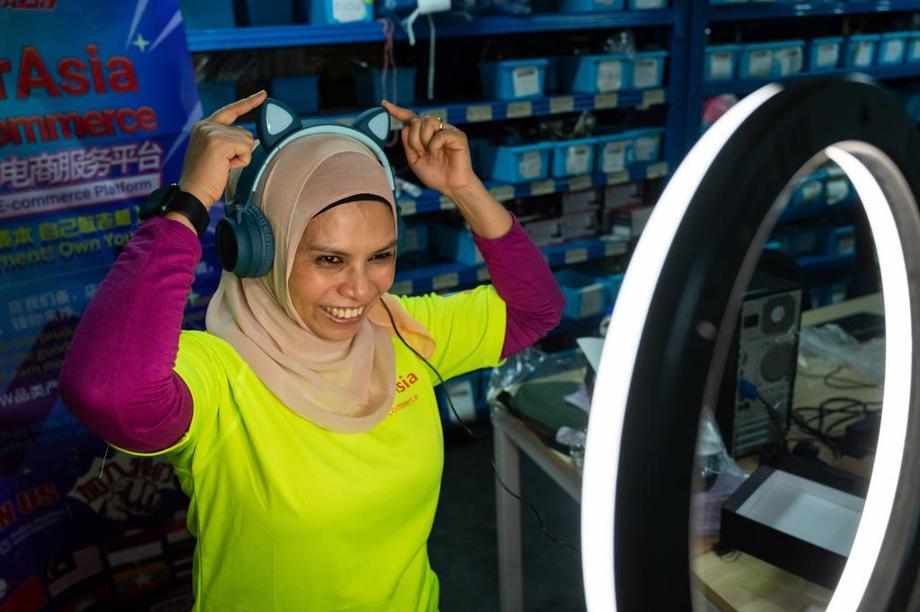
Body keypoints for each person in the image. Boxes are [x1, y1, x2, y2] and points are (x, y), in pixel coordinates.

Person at [60, 90, 564, 611]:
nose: (361, 289)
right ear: (259, 252)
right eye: (329, 259)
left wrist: (464, 188)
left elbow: (535, 310)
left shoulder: (400, 332)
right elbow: (109, 395)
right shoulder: (220, 376)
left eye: (380, 256)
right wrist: (187, 204)